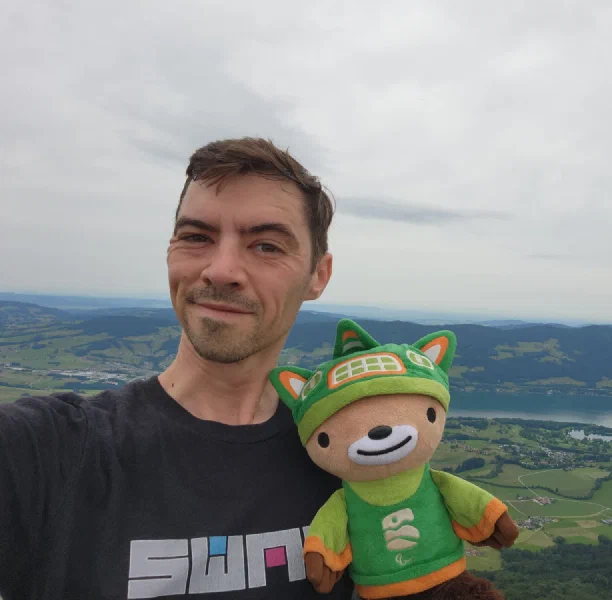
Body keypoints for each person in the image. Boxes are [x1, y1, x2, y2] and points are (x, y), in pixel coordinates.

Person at [0, 137, 355, 599]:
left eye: (266, 246)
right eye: (196, 237)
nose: (221, 269)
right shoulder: (53, 452)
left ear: (317, 275)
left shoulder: (345, 457)